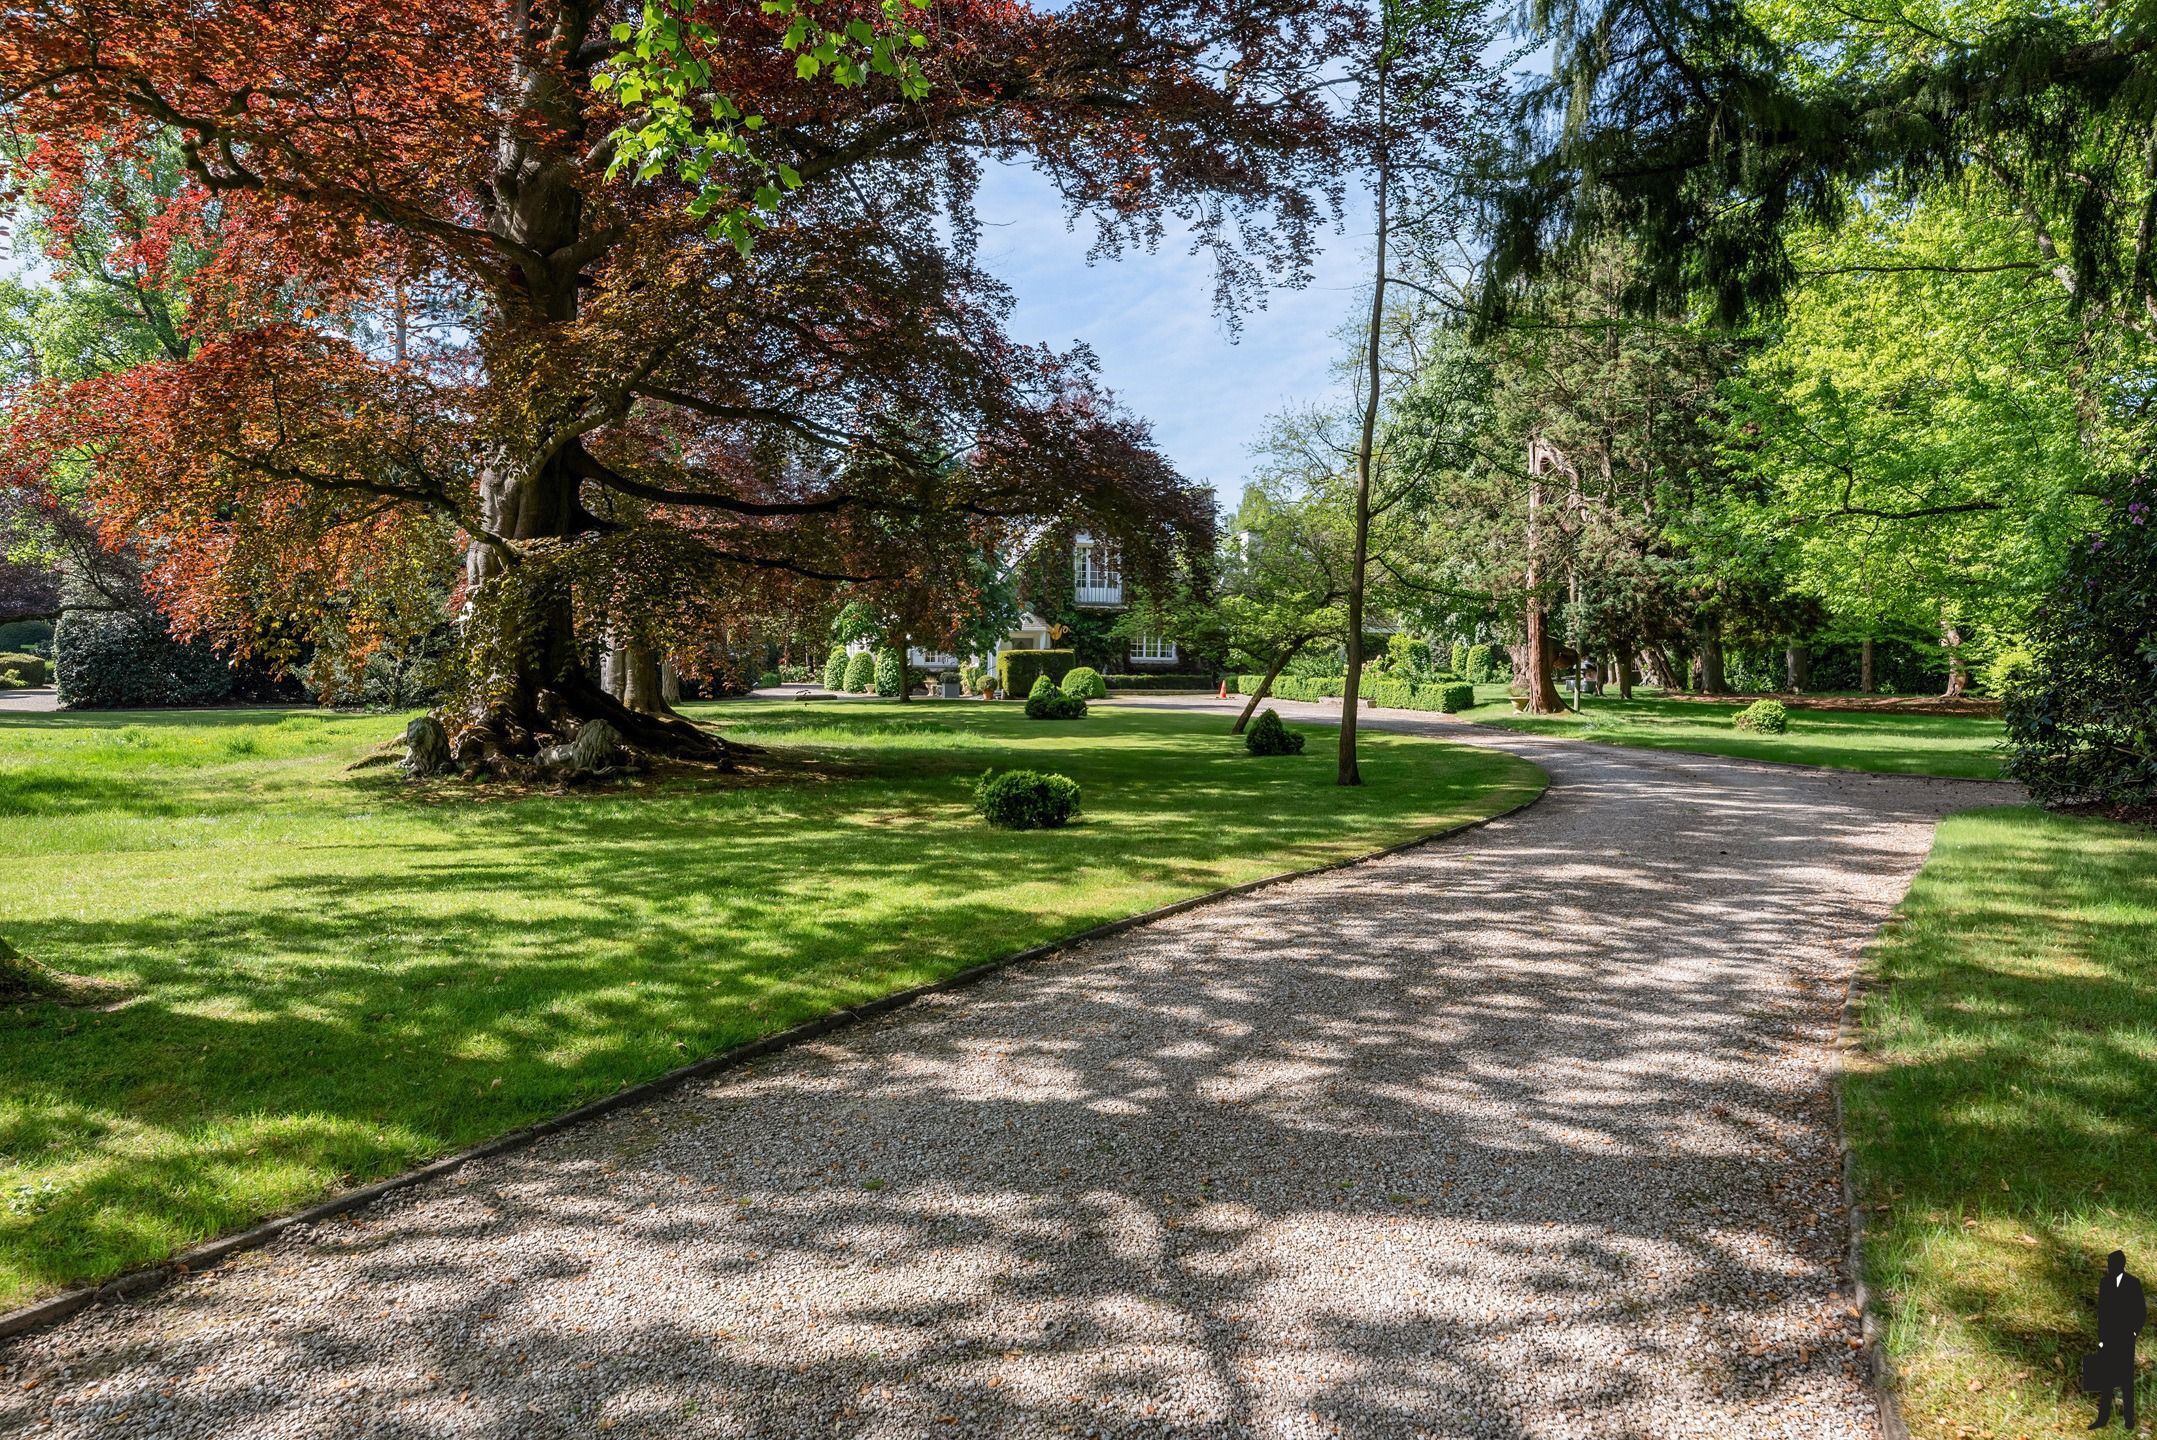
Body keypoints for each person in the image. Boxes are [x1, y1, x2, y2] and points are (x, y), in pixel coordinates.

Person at [2093, 1250, 2146, 1430]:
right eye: (2109, 1264)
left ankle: (2129, 1420)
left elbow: (2141, 1311)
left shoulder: (2133, 1283)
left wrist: (2133, 1333)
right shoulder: (2105, 1283)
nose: (2110, 1267)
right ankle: (2102, 1418)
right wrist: (2101, 1338)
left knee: (2126, 1380)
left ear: (2121, 1264)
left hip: (2125, 1339)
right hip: (2108, 1338)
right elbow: (2102, 1313)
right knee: (2106, 1379)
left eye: (2113, 1264)